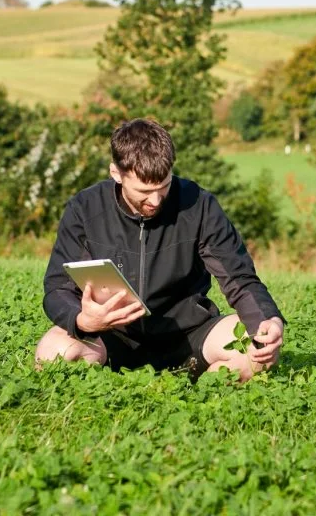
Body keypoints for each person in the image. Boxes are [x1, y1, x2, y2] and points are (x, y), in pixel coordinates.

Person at [35, 118, 286, 381]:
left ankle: (201, 403)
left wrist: (268, 321)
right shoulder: (85, 208)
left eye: (163, 187)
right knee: (53, 352)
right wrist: (82, 322)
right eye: (144, 191)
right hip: (112, 336)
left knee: (254, 351)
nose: (155, 200)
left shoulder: (199, 205)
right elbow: (57, 288)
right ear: (116, 174)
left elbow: (240, 278)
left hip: (188, 336)